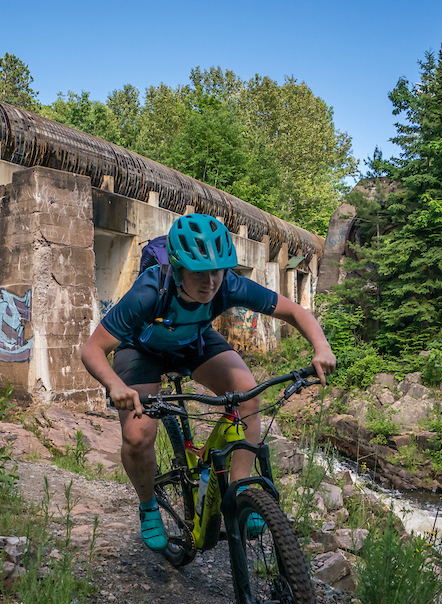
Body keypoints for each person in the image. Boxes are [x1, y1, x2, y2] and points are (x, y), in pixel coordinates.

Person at [80, 214, 337, 553]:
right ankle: (147, 506)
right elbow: (93, 349)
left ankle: (239, 490)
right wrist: (115, 385)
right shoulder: (148, 291)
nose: (210, 281)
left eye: (217, 271)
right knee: (138, 435)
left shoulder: (228, 284)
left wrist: (321, 347)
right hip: (141, 349)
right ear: (177, 267)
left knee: (247, 396)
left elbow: (295, 312)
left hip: (193, 343)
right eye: (199, 272)